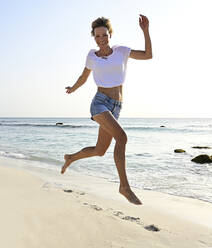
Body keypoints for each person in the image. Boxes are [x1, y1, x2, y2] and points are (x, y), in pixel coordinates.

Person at [61, 14, 152, 205]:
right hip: (99, 104)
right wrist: (73, 88)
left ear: (110, 34)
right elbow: (83, 77)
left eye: (104, 35)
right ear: (94, 37)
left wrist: (145, 31)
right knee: (122, 137)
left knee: (100, 150)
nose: (101, 39)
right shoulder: (91, 56)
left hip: (116, 106)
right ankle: (124, 187)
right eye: (97, 36)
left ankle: (71, 158)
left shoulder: (121, 51)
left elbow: (147, 55)